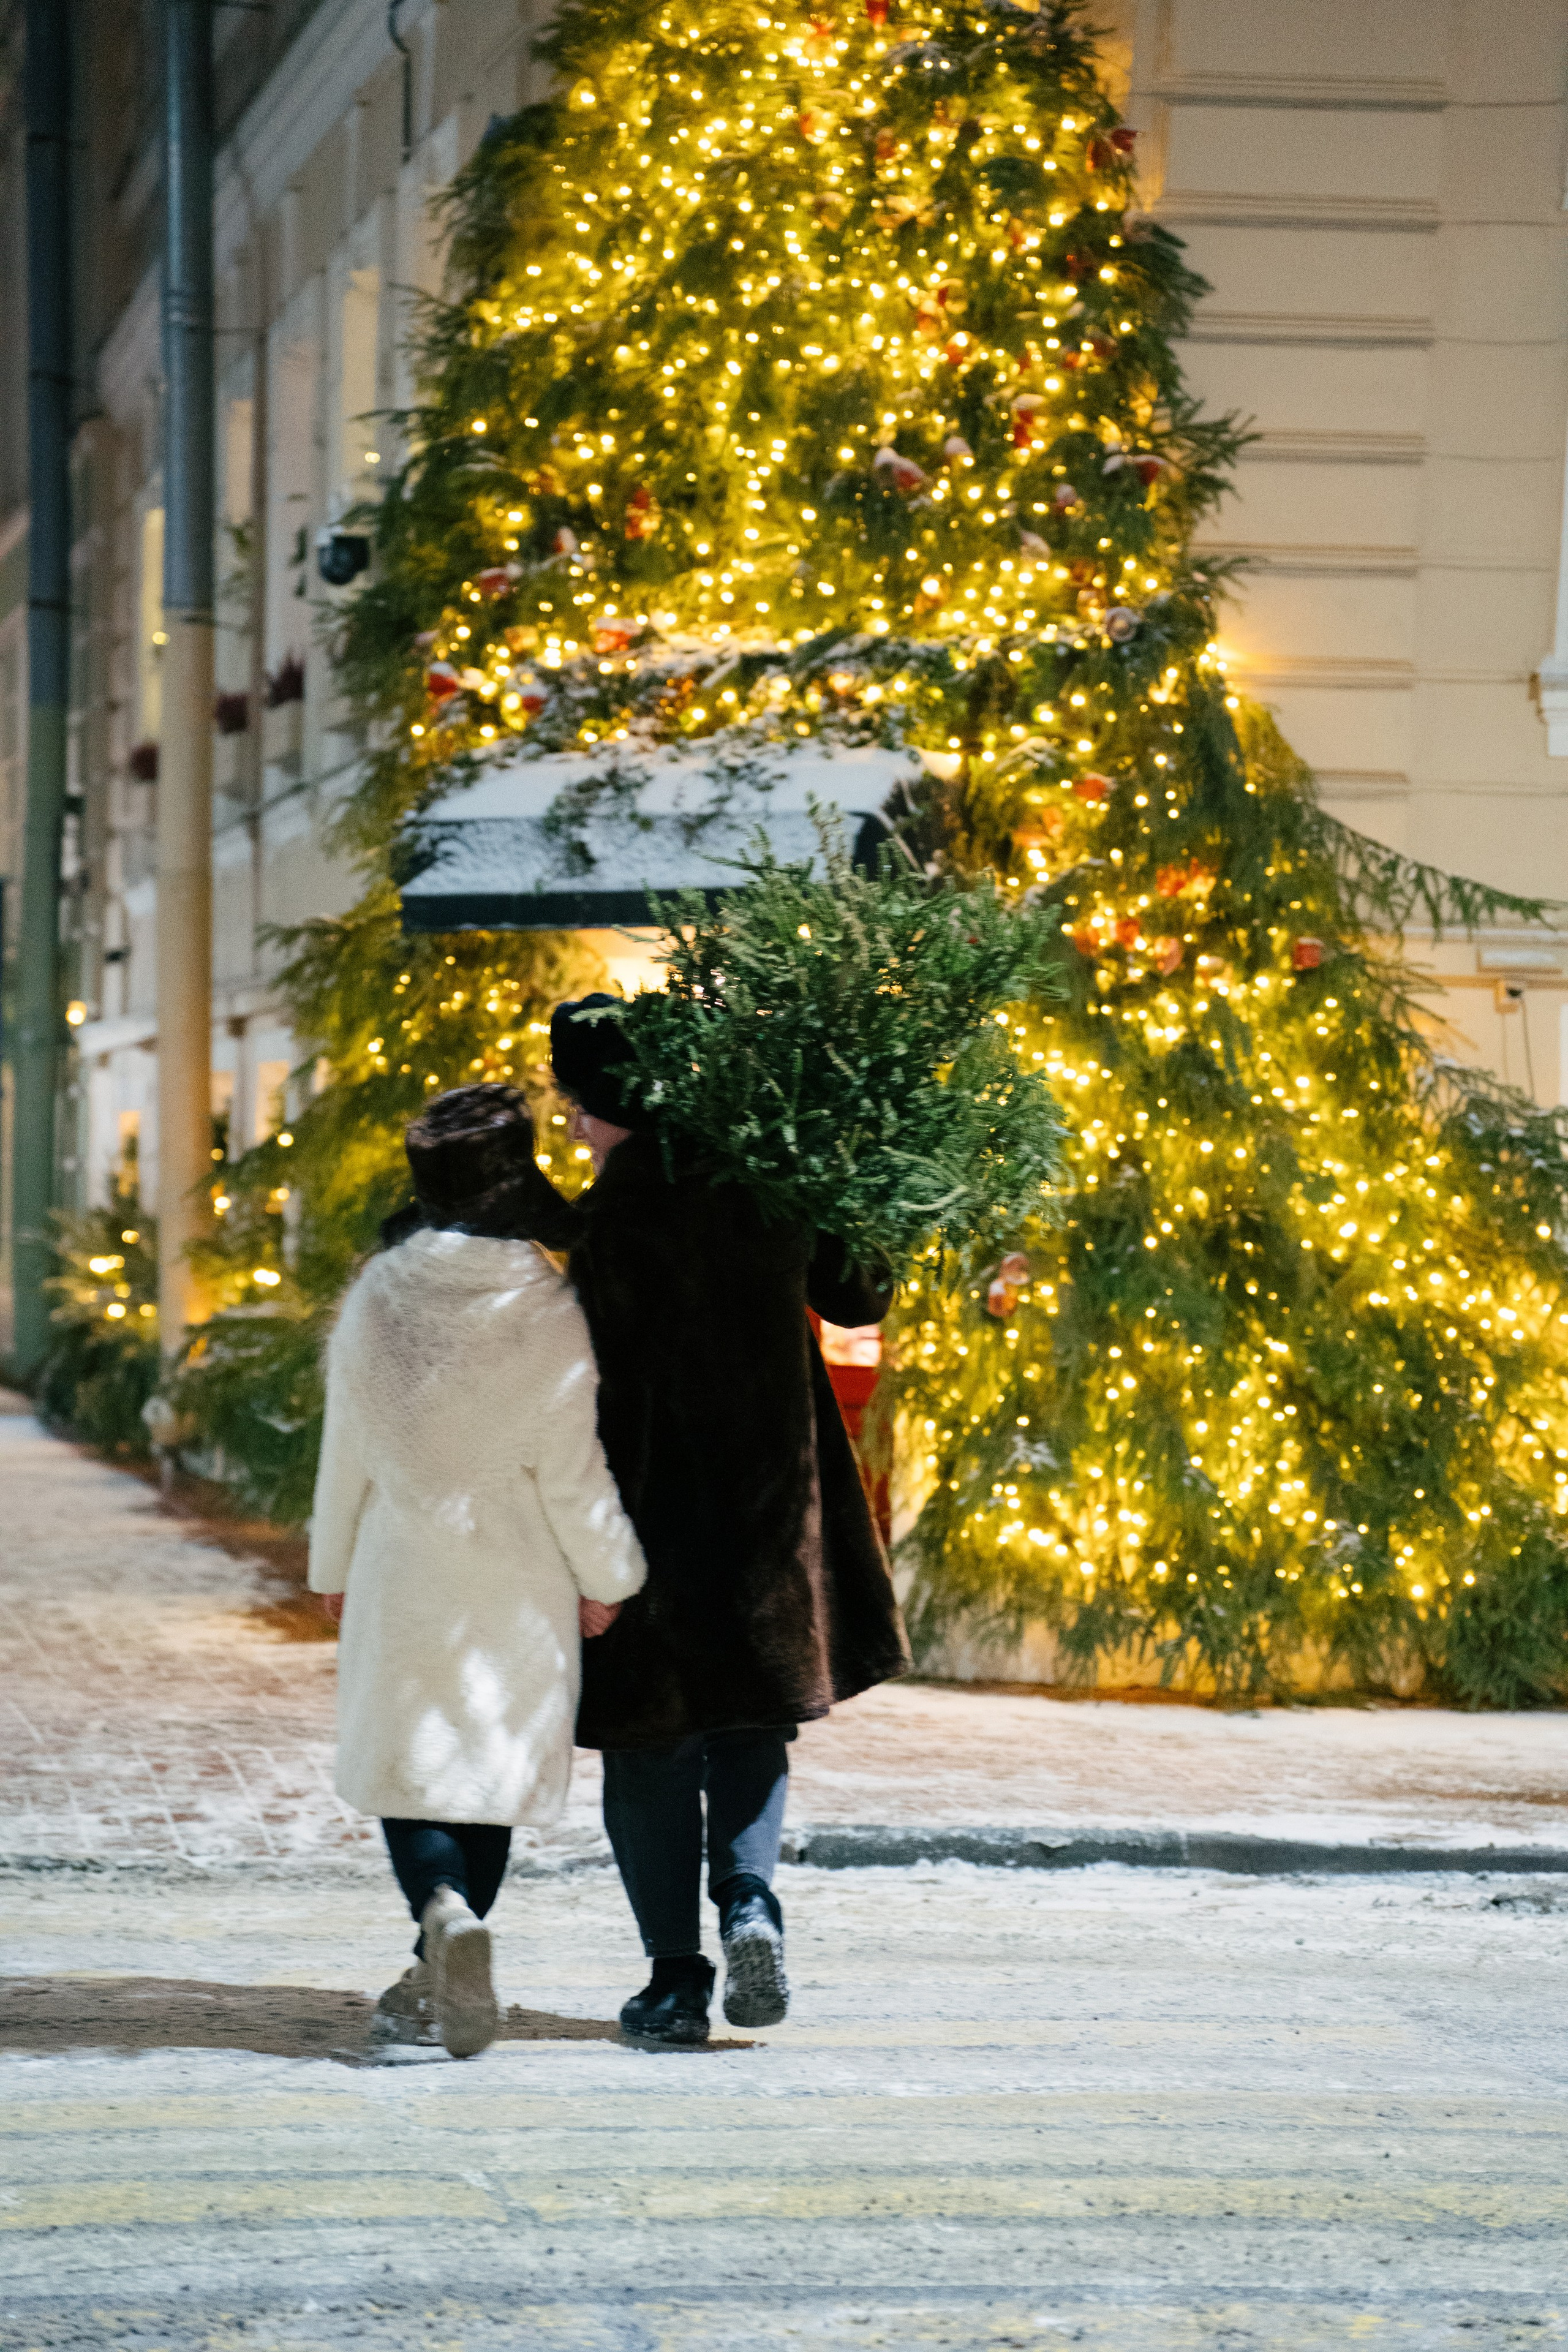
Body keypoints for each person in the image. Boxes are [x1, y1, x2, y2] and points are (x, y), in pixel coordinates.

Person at [550, 994, 910, 2049]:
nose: (571, 1122)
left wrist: (588, 1560)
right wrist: (851, 1165)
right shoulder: (768, 1173)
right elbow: (860, 1298)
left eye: (577, 1100)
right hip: (769, 1517)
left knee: (650, 1750)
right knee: (751, 1726)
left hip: (651, 1523)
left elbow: (600, 1401)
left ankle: (674, 1984)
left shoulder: (613, 1220)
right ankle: (751, 1903)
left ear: (615, 1097)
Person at [307, 1084, 646, 2057]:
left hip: (402, 1564)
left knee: (410, 1773)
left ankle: (441, 1920)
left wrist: (331, 1563)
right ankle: (448, 1940)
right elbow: (574, 1471)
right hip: (519, 1578)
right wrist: (609, 1577)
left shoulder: (379, 1293)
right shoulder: (546, 1304)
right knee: (486, 1775)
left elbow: (348, 1451)